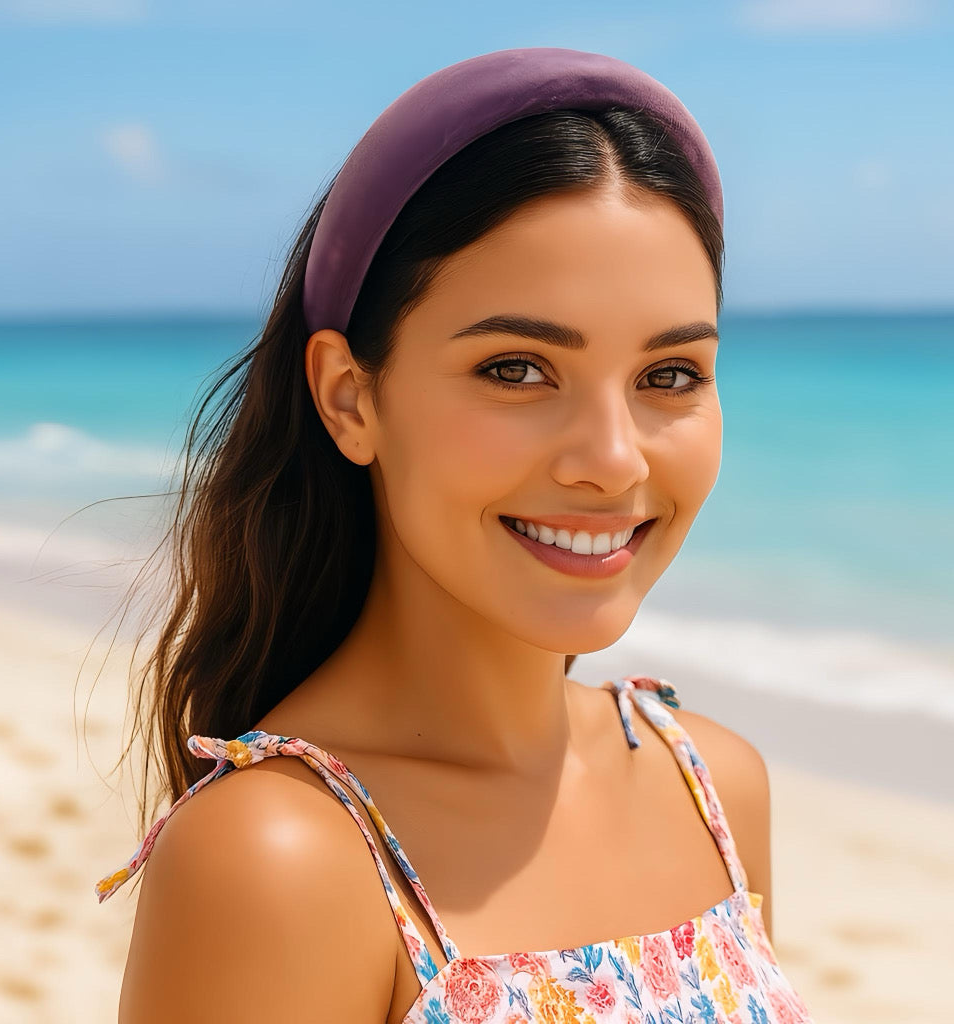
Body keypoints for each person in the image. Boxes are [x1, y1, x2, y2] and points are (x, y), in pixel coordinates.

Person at [95, 47, 816, 1024]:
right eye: (517, 370)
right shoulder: (280, 857)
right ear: (351, 399)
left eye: (670, 374)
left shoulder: (716, 786)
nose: (612, 459)